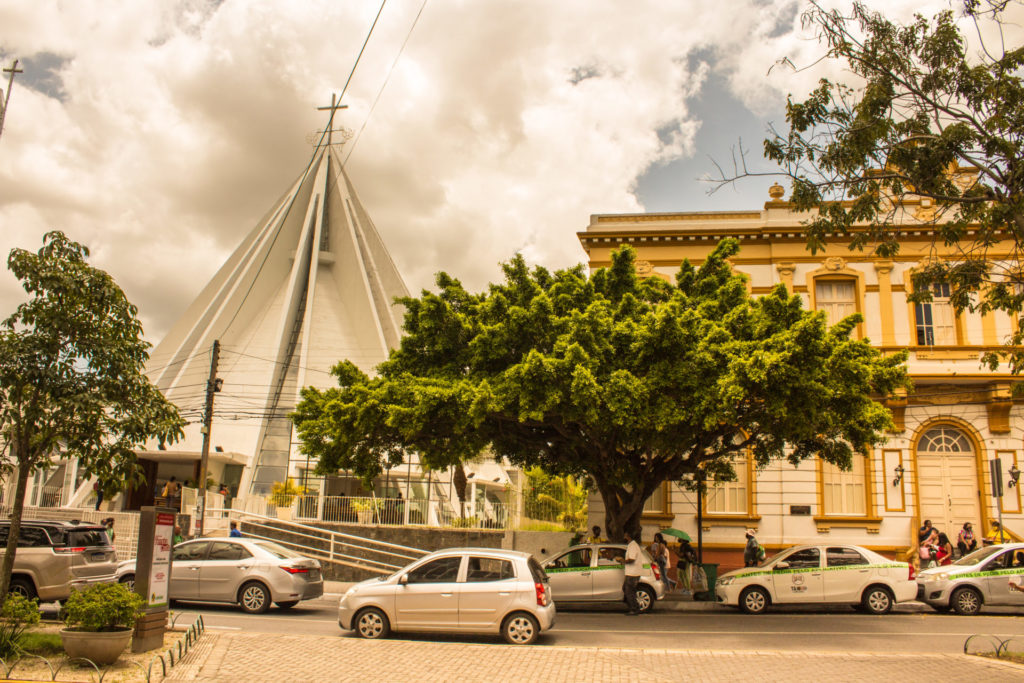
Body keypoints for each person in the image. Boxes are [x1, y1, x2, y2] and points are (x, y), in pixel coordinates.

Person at [622, 530, 644, 615]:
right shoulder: (631, 545)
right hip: (631, 572)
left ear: (628, 536)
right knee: (627, 589)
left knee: (629, 591)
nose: (624, 537)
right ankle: (633, 605)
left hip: (632, 573)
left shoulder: (633, 546)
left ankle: (634, 608)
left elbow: (632, 559)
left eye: (625, 535)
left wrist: (623, 560)